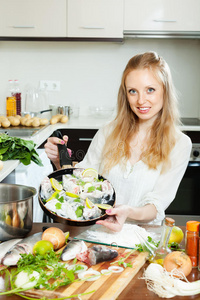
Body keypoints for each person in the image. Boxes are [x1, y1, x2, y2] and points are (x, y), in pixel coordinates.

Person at [44, 51, 192, 232]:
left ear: (165, 90)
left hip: (142, 239)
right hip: (97, 233)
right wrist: (59, 162)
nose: (141, 100)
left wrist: (127, 211)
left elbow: (156, 205)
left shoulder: (180, 144)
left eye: (150, 90)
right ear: (125, 94)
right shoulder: (108, 131)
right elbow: (82, 183)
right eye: (133, 91)